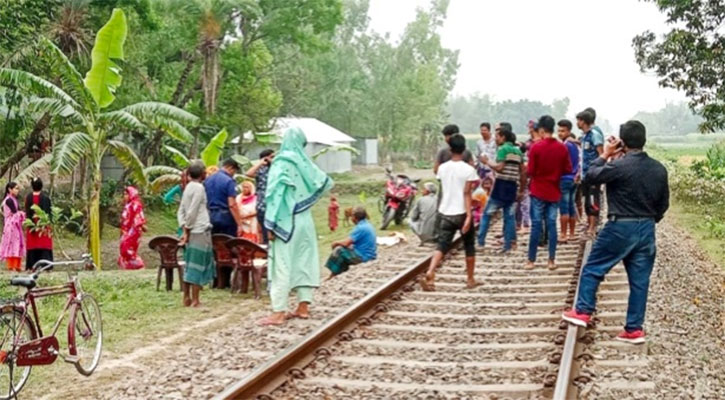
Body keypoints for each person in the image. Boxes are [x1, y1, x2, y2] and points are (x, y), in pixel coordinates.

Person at [563, 120, 669, 344]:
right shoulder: (659, 169)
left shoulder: (619, 166)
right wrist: (650, 220)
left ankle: (582, 311)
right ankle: (634, 329)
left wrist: (606, 154)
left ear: (623, 141)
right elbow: (663, 204)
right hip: (647, 228)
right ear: (644, 139)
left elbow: (591, 176)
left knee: (593, 268)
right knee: (640, 281)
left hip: (620, 225)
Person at [257, 127, 333, 326]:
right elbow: (324, 182)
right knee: (305, 259)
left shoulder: (281, 162)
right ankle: (303, 307)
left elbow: (275, 195)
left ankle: (278, 311)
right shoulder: (304, 162)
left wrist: (270, 224)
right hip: (305, 220)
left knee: (281, 264)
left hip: (286, 220)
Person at [421, 134, 478, 291]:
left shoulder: (442, 168)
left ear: (450, 149)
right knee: (469, 246)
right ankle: (470, 279)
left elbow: (445, 185)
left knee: (442, 245)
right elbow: (466, 193)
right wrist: (468, 216)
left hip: (445, 212)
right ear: (464, 149)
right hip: (461, 212)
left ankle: (431, 272)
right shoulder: (469, 170)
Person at [525, 115, 573, 271]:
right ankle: (551, 260)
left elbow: (530, 171)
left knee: (536, 225)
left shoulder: (536, 148)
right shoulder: (562, 148)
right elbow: (568, 169)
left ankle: (531, 260)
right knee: (552, 225)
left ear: (541, 130)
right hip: (554, 191)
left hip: (538, 190)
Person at [477, 125, 526, 254]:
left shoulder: (503, 149)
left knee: (487, 214)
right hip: (512, 186)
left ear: (503, 137)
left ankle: (480, 242)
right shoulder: (518, 151)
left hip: (501, 186)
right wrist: (521, 190)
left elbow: (499, 168)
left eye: (497, 136)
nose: (496, 139)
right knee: (509, 217)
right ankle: (509, 245)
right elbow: (523, 172)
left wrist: (486, 161)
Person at [178, 161, 216, 307]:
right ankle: (195, 299)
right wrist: (187, 228)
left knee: (190, 263)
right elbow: (193, 210)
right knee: (197, 265)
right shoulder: (199, 188)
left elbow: (181, 210)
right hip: (199, 230)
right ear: (202, 174)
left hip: (191, 229)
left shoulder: (188, 187)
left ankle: (186, 297)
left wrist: (183, 227)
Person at [325, 207, 377, 278]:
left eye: (352, 216)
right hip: (369, 254)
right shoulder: (367, 224)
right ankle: (336, 274)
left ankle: (333, 275)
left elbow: (346, 243)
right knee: (346, 251)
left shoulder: (360, 228)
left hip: (364, 257)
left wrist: (335, 243)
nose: (351, 218)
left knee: (339, 250)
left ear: (355, 217)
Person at [577, 110, 604, 238]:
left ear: (583, 121)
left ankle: (592, 228)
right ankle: (589, 224)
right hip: (585, 174)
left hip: (593, 174)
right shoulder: (584, 136)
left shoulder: (594, 134)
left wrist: (601, 172)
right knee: (587, 200)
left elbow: (601, 154)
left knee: (593, 199)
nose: (577, 123)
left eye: (579, 120)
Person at [204, 159, 244, 237]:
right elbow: (232, 204)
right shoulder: (229, 181)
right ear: (230, 168)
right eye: (234, 171)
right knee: (228, 243)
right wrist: (239, 224)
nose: (233, 174)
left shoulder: (208, 180)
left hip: (211, 215)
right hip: (226, 216)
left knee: (215, 242)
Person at [557, 119, 581, 243]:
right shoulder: (574, 145)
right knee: (571, 206)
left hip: (565, 178)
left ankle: (563, 234)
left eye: (563, 131)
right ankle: (571, 233)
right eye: (559, 130)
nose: (560, 133)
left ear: (569, 131)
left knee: (564, 207)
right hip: (573, 179)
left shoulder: (565, 145)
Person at [246, 149, 275, 244]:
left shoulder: (277, 169)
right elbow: (248, 173)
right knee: (265, 232)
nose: (273, 159)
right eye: (271, 157)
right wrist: (260, 163)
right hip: (262, 206)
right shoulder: (261, 170)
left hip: (275, 205)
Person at [25, 178, 53, 270]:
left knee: (33, 245)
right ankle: (46, 265)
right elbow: (48, 212)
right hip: (43, 225)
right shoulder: (45, 197)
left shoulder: (28, 197)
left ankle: (31, 265)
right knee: (43, 244)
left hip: (32, 225)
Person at [118, 186, 146, 270]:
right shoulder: (128, 205)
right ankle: (129, 267)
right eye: (124, 194)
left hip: (133, 231)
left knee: (127, 249)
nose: (124, 196)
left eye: (126, 194)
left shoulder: (136, 204)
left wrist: (139, 227)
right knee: (124, 250)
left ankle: (139, 266)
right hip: (126, 231)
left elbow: (138, 218)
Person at [1, 182, 25, 272]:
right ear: (10, 189)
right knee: (12, 245)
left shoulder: (14, 199)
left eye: (18, 188)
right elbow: (16, 212)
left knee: (17, 244)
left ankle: (17, 265)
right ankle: (12, 266)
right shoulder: (8, 200)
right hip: (10, 225)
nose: (17, 190)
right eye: (15, 188)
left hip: (15, 224)